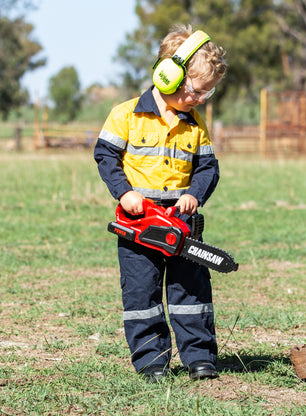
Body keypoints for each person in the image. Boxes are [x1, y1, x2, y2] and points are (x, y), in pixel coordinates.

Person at [94, 24, 227, 382]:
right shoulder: (125, 115)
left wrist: (193, 195)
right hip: (139, 224)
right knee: (141, 293)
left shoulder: (194, 125)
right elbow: (105, 154)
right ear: (169, 76)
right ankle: (152, 362)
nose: (202, 98)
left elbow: (208, 167)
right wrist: (125, 192)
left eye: (207, 93)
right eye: (198, 91)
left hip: (181, 224)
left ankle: (199, 358)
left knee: (191, 291)